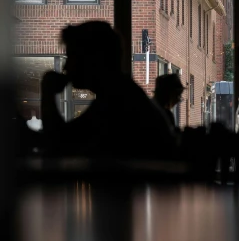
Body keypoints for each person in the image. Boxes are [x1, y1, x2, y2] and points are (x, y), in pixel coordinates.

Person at [40, 20, 176, 160]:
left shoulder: (116, 102)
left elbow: (59, 145)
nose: (65, 67)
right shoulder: (122, 94)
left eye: (72, 57)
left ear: (93, 59)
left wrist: (48, 93)